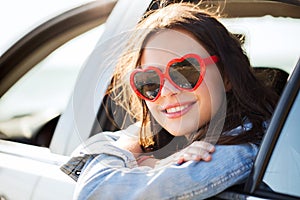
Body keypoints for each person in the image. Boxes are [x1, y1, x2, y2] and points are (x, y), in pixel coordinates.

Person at [61, 2, 279, 199]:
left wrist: (139, 159)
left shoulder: (239, 147)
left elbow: (95, 192)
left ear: (227, 76)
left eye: (184, 70)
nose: (166, 91)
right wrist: (153, 161)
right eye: (149, 80)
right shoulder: (170, 139)